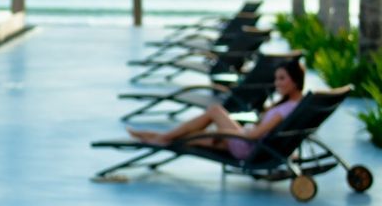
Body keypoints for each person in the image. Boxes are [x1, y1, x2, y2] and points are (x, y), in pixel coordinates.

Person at [127, 59, 305, 157]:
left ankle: (160, 137)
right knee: (194, 137)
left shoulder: (285, 109)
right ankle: (158, 137)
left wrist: (223, 132)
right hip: (251, 143)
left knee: (213, 112)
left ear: (295, 80)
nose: (277, 83)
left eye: (282, 79)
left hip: (247, 146)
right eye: (276, 79)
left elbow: (254, 135)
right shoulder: (295, 105)